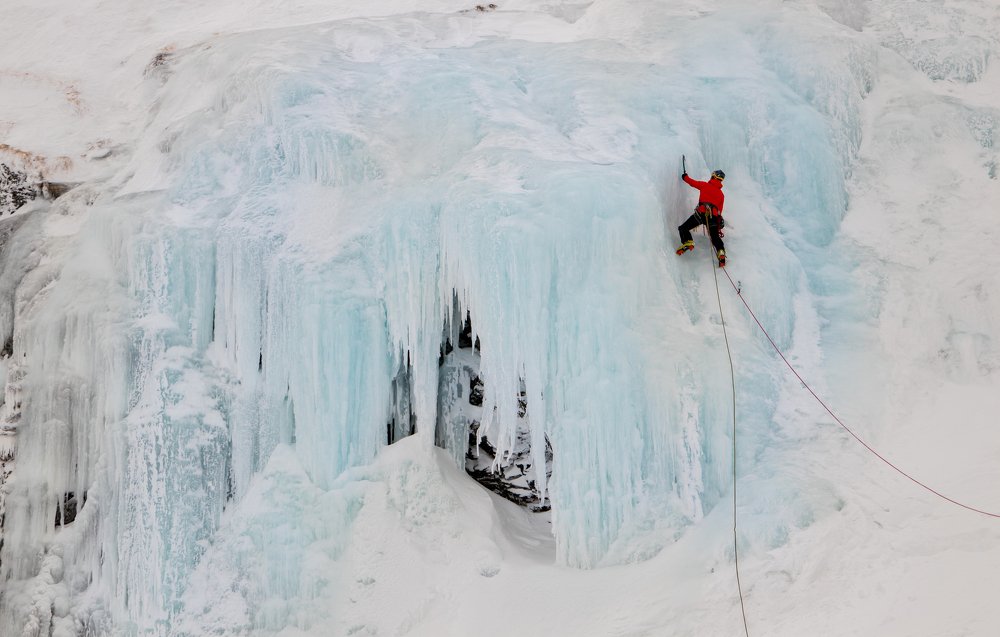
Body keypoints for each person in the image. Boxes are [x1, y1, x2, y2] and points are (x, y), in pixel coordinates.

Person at [675, 169, 727, 267]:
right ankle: (721, 252)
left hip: (701, 214)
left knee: (683, 228)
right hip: (713, 218)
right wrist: (717, 223)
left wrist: (684, 176)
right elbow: (720, 210)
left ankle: (688, 241)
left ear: (713, 176)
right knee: (715, 237)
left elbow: (692, 182)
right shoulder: (721, 195)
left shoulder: (705, 185)